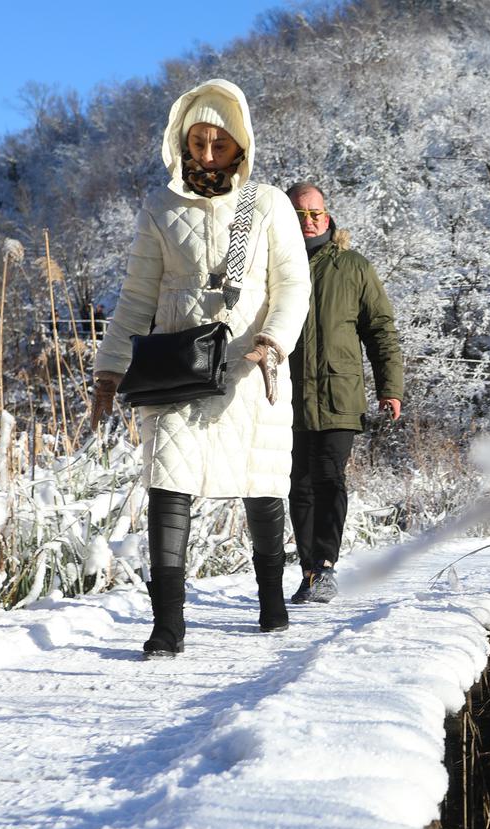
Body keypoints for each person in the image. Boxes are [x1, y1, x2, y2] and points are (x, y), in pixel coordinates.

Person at [89, 80, 310, 657]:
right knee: (167, 483)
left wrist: (273, 342)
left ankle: (270, 598)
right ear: (181, 142)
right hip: (174, 367)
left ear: (240, 145)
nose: (207, 155)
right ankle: (168, 626)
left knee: (262, 483)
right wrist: (109, 371)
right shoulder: (160, 207)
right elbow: (136, 297)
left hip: (250, 369)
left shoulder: (266, 204)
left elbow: (293, 286)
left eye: (219, 144)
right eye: (198, 143)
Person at [284, 182, 404, 604]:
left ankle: (326, 567)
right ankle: (308, 571)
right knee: (297, 484)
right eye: (299, 214)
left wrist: (390, 387)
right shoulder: (275, 264)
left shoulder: (352, 267)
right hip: (286, 395)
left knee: (328, 477)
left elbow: (380, 331)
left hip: (339, 392)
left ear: (327, 213)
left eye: (315, 211)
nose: (310, 220)